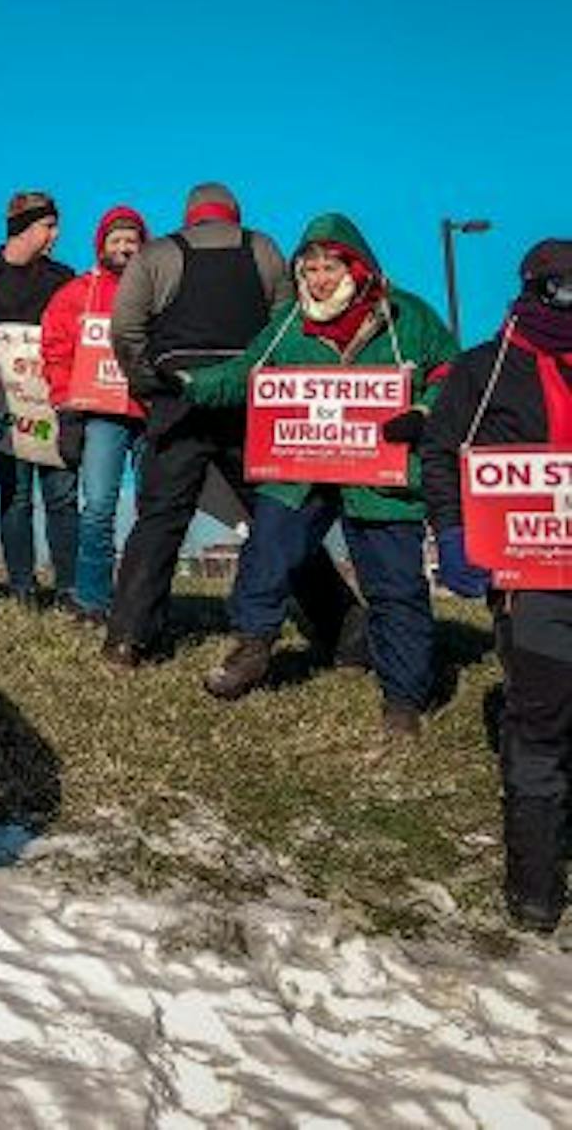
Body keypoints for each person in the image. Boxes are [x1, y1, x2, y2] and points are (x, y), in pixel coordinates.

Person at [174, 215, 456, 727]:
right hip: (302, 466)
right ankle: (252, 648)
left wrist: (425, 412)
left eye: (331, 267)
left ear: (356, 266)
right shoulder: (289, 321)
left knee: (395, 583)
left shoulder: (406, 316)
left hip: (381, 472)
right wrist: (191, 383)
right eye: (312, 268)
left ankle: (404, 695)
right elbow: (248, 372)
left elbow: (449, 370)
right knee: (269, 548)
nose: (321, 279)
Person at [104, 182, 360, 667]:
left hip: (178, 399)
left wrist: (149, 384)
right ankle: (342, 627)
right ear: (234, 215)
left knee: (160, 520)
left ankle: (127, 639)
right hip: (248, 399)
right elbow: (288, 324)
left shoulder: (156, 254)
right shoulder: (263, 249)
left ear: (189, 216)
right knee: (280, 516)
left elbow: (124, 328)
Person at [423, 239, 572, 931]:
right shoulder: (485, 371)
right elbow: (442, 452)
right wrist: (454, 533)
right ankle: (535, 887)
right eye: (560, 290)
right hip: (533, 583)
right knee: (541, 718)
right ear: (533, 290)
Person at [40, 206, 148, 622]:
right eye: (115, 240)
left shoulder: (159, 291)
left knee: (152, 510)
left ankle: (141, 599)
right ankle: (91, 599)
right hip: (101, 413)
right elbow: (55, 348)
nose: (123, 248)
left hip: (147, 411)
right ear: (101, 245)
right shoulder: (76, 293)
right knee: (99, 505)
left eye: (131, 241)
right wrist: (66, 406)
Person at [0, 192, 78, 607]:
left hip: (55, 406)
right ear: (25, 227)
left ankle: (68, 587)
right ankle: (22, 588)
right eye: (48, 226)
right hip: (5, 410)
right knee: (14, 496)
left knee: (62, 495)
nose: (55, 234)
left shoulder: (63, 278)